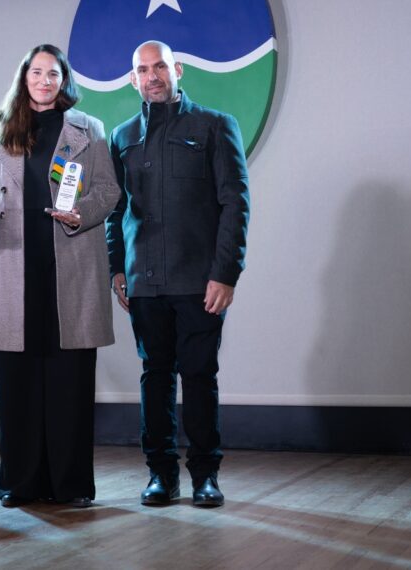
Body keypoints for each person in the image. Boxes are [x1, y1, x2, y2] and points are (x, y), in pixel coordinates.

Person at [0, 43, 119, 508]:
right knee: (18, 384)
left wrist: (81, 214)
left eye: (53, 73)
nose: (44, 80)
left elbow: (108, 190)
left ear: (64, 80)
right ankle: (20, 484)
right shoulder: (1, 129)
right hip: (15, 266)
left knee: (70, 384)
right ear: (24, 77)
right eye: (36, 72)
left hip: (71, 265)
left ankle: (71, 486)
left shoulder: (88, 128)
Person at [106, 40, 250, 508]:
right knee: (155, 377)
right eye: (143, 70)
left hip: (198, 281)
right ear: (133, 79)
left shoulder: (214, 126)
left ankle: (206, 475)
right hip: (144, 281)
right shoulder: (122, 136)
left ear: (178, 70)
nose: (153, 76)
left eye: (160, 67)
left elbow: (235, 204)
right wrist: (116, 266)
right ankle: (161, 475)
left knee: (199, 376)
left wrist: (225, 272)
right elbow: (115, 210)